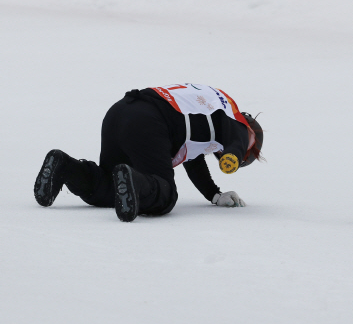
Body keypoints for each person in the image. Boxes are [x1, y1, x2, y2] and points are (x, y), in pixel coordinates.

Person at [34, 83, 263, 222]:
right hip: (149, 121)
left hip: (120, 111)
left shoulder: (210, 114)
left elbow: (193, 162)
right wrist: (233, 156)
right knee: (164, 196)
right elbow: (239, 140)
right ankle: (134, 178)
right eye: (247, 157)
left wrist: (214, 195)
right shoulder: (237, 121)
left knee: (108, 186)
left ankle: (66, 167)